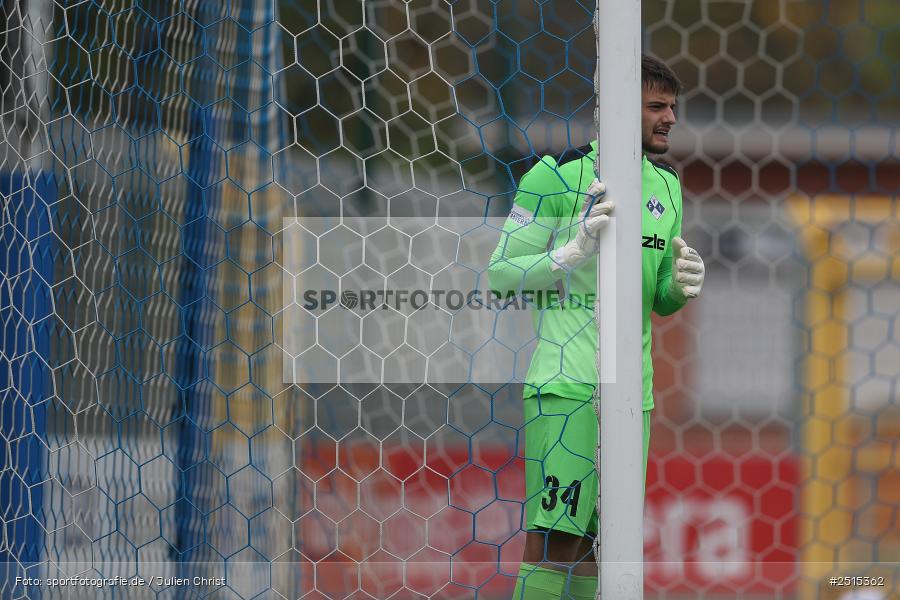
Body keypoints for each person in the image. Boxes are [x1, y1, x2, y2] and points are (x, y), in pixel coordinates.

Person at [487, 54, 705, 599]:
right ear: (617, 108)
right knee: (555, 539)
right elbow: (501, 278)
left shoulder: (667, 187)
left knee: (599, 543)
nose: (670, 118)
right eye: (657, 106)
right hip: (568, 385)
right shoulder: (556, 175)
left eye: (673, 107)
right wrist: (570, 251)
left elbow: (656, 299)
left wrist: (679, 286)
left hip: (635, 394)